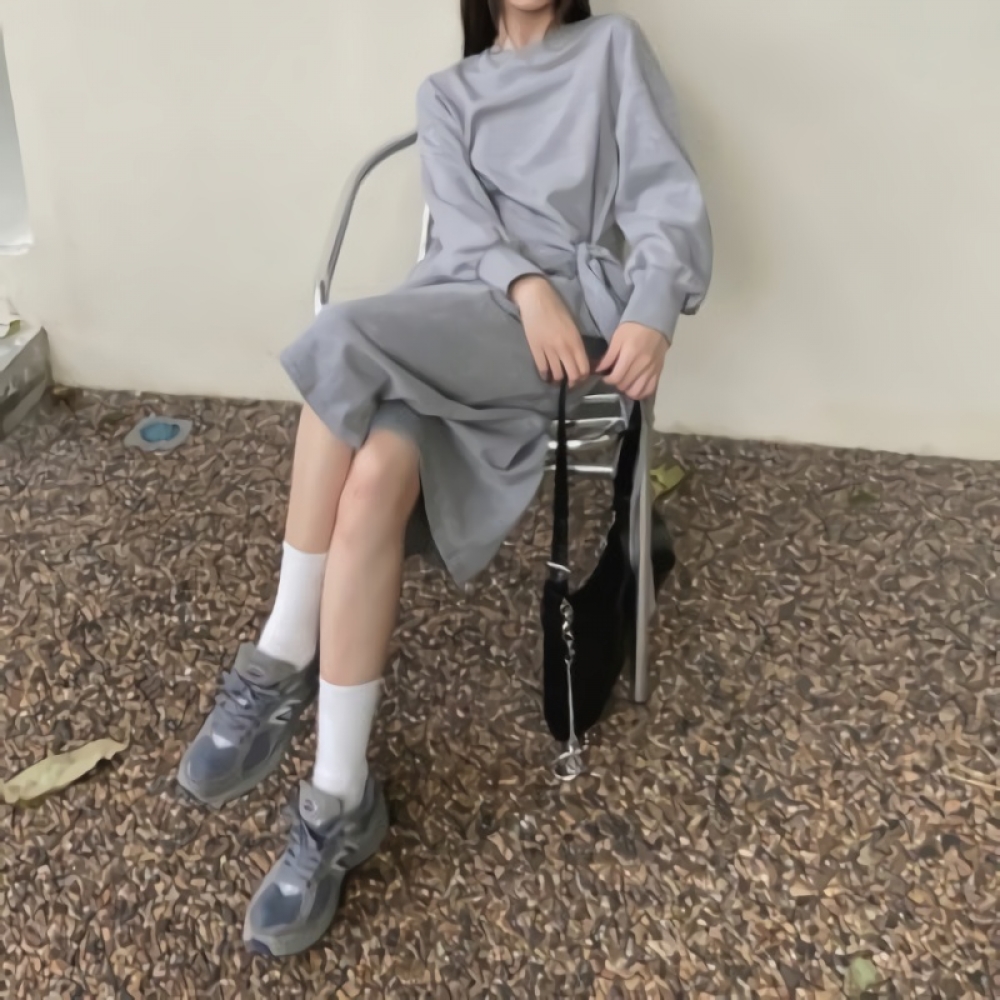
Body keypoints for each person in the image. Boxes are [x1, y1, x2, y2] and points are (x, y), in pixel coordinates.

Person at [177, 0, 712, 957]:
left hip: (560, 334)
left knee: (339, 339)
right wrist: (521, 286)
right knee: (375, 474)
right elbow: (460, 232)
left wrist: (652, 306)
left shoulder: (611, 49)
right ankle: (340, 798)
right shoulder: (448, 93)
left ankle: (281, 651)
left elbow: (663, 194)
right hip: (459, 318)